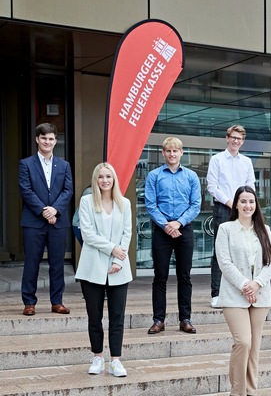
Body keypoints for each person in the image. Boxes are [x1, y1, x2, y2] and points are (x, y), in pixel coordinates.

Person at [215, 186, 271, 396]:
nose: (247, 205)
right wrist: (244, 285)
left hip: (260, 295)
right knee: (243, 341)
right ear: (236, 204)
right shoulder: (225, 229)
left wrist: (256, 284)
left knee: (255, 345)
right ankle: (236, 391)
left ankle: (251, 391)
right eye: (243, 201)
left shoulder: (264, 230)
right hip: (234, 295)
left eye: (251, 201)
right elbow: (224, 262)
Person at [75, 163, 132, 377]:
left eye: (108, 176)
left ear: (114, 179)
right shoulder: (87, 201)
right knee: (94, 316)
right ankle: (97, 356)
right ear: (95, 180)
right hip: (92, 267)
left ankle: (115, 360)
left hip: (119, 267)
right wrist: (113, 249)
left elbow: (127, 233)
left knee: (117, 316)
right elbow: (87, 234)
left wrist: (119, 258)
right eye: (101, 177)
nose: (105, 180)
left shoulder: (124, 203)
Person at [144, 137, 202, 335]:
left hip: (183, 228)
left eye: (175, 151)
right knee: (160, 276)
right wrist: (167, 225)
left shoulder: (192, 176)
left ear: (181, 153)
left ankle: (185, 318)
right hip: (162, 229)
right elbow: (151, 205)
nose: (172, 154)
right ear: (163, 153)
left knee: (184, 276)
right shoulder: (154, 176)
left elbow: (195, 205)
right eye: (168, 151)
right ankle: (158, 320)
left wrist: (178, 223)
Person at [19, 123, 74, 316]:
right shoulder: (26, 164)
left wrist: (55, 210)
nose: (47, 142)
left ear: (55, 141)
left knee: (57, 263)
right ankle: (29, 302)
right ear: (37, 139)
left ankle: (57, 302)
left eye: (51, 139)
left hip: (58, 222)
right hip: (33, 222)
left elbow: (68, 191)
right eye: (43, 138)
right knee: (32, 262)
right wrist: (44, 211)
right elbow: (26, 191)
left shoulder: (64, 165)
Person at [206, 125, 255, 309]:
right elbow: (212, 186)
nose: (236, 141)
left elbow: (251, 185)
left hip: (244, 209)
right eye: (233, 137)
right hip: (224, 208)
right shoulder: (217, 159)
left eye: (240, 139)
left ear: (243, 141)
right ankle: (217, 293)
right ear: (227, 138)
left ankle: (243, 290)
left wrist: (245, 204)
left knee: (244, 249)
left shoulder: (247, 162)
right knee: (220, 252)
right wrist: (230, 202)